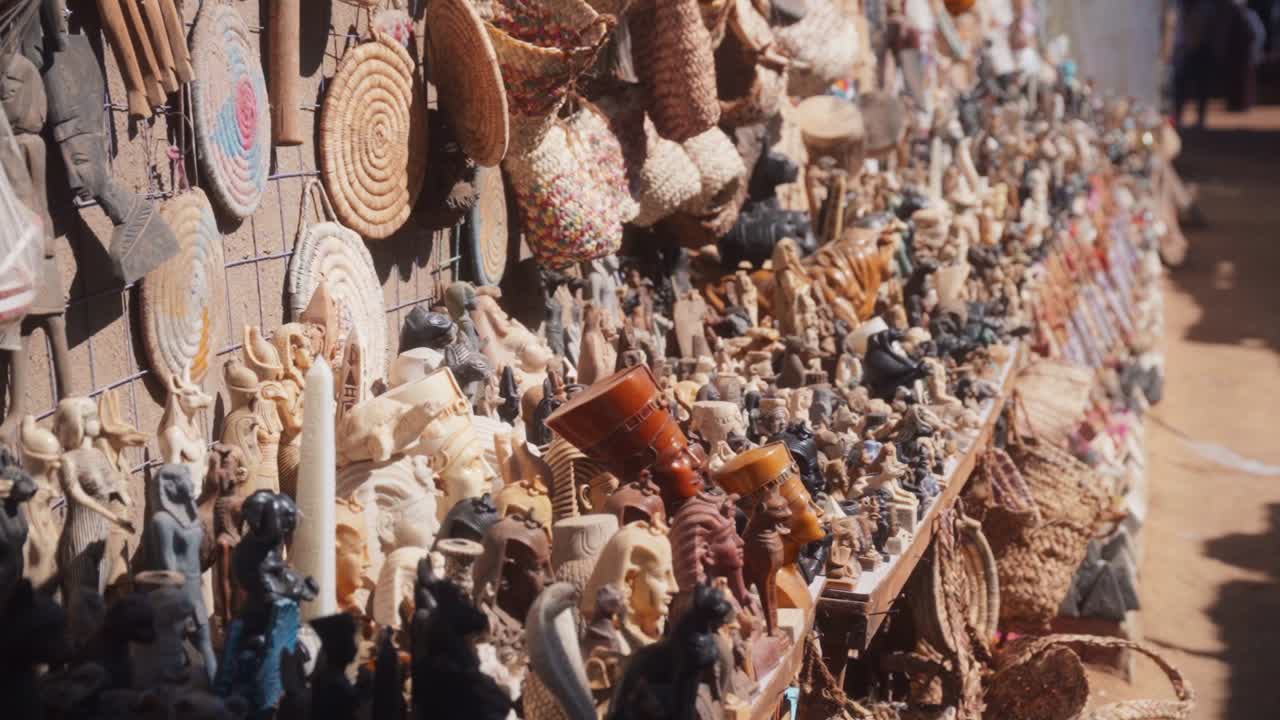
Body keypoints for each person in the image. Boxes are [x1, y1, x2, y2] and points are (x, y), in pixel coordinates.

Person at [1172, 0, 1219, 128]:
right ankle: (1178, 116)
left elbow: (1209, 29)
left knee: (1201, 86)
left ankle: (1200, 118)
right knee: (1180, 84)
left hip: (1201, 51)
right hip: (1184, 49)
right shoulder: (1179, 5)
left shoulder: (1205, 7)